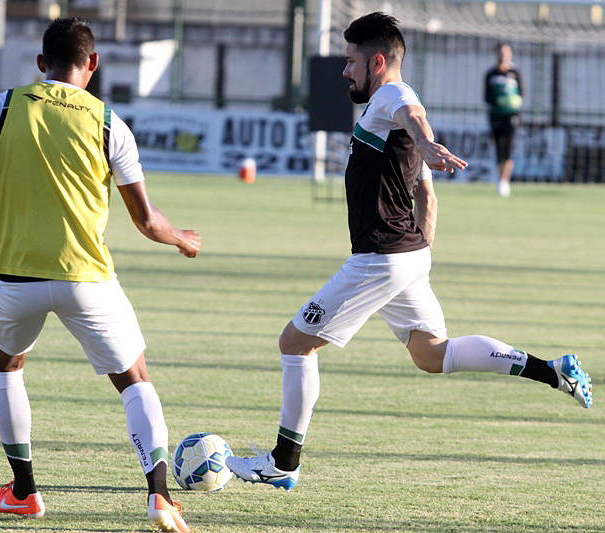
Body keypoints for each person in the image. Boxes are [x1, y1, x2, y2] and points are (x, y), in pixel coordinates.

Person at [226, 12, 591, 491]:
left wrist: (426, 142)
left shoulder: (391, 96)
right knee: (432, 355)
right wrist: (418, 257)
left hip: (381, 257)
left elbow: (413, 119)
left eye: (351, 61)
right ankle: (552, 371)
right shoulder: (395, 110)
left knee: (294, 344)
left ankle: (284, 462)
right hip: (408, 255)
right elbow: (428, 197)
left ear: (377, 62)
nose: (344, 70)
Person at [0, 18, 200, 533]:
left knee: (5, 369)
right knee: (135, 381)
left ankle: (24, 492)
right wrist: (181, 237)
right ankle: (160, 497)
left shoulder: (2, 106)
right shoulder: (110, 122)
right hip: (86, 278)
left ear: (42, 64)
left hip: (12, 280)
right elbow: (145, 219)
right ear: (91, 64)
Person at [485, 42, 523, 197]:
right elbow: (486, 96)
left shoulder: (514, 72)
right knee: (499, 146)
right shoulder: (491, 74)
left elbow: (522, 92)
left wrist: (512, 101)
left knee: (509, 146)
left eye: (506, 52)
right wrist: (499, 101)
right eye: (501, 52)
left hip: (512, 114)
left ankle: (505, 181)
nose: (503, 56)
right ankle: (500, 178)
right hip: (496, 115)